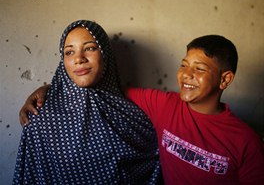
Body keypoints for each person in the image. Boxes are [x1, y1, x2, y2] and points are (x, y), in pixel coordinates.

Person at [19, 35, 264, 184]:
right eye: (184, 65)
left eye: (200, 69)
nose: (186, 75)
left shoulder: (247, 142)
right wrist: (50, 88)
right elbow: (104, 87)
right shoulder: (163, 105)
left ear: (224, 80)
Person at [13, 20, 163, 185]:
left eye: (90, 48)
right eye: (69, 52)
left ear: (105, 54)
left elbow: (161, 155)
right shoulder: (40, 117)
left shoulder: (135, 111)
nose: (79, 59)